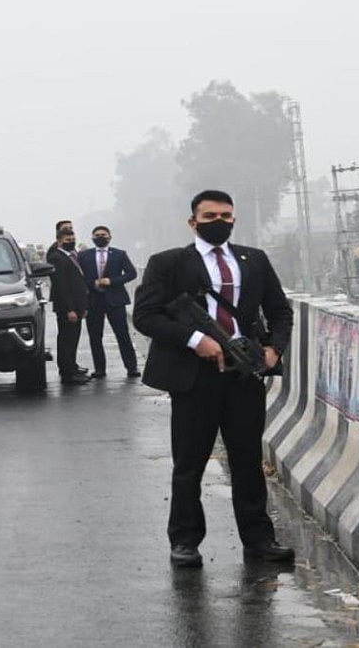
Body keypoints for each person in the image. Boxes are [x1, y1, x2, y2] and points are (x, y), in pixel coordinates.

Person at [132, 190, 294, 568]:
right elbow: (145, 315)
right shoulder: (168, 263)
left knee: (248, 460)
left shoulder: (253, 260)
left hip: (243, 374)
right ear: (193, 221)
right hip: (193, 377)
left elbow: (279, 310)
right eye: (209, 216)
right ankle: (185, 542)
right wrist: (195, 340)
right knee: (189, 463)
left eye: (225, 215)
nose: (219, 221)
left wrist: (274, 350)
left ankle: (259, 540)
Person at [77, 225, 140, 379]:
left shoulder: (119, 254)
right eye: (97, 235)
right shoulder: (84, 256)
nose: (100, 237)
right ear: (92, 238)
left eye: (103, 235)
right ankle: (99, 369)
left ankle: (131, 367)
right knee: (95, 337)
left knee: (123, 335)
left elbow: (131, 273)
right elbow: (79, 277)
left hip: (115, 300)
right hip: (93, 300)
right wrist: (92, 284)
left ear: (109, 237)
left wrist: (111, 281)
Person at [47, 226, 90, 386]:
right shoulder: (57, 258)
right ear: (59, 242)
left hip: (78, 305)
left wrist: (83, 307)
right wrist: (70, 309)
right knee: (66, 340)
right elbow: (62, 287)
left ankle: (73, 367)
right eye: (67, 240)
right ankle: (67, 373)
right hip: (67, 307)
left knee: (73, 339)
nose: (71, 242)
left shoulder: (73, 256)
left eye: (72, 240)